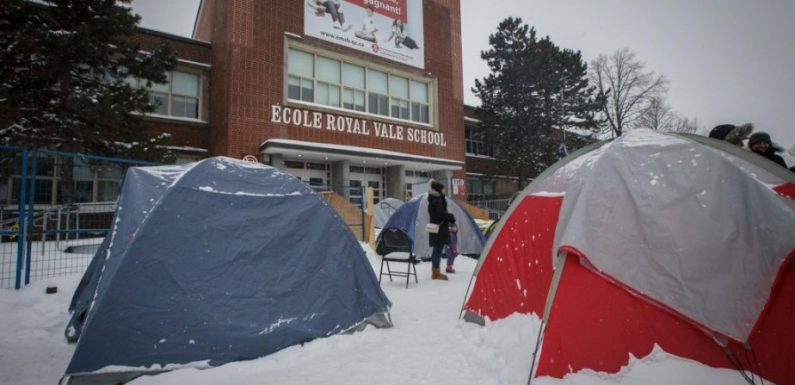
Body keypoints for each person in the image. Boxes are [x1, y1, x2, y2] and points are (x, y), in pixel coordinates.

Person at [427, 180, 455, 280]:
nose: (444, 191)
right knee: (438, 250)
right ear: (439, 190)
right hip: (439, 229)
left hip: (437, 228)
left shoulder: (433, 200)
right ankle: (436, 273)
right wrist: (451, 217)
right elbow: (441, 214)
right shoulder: (437, 201)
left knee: (437, 249)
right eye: (442, 189)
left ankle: (435, 271)